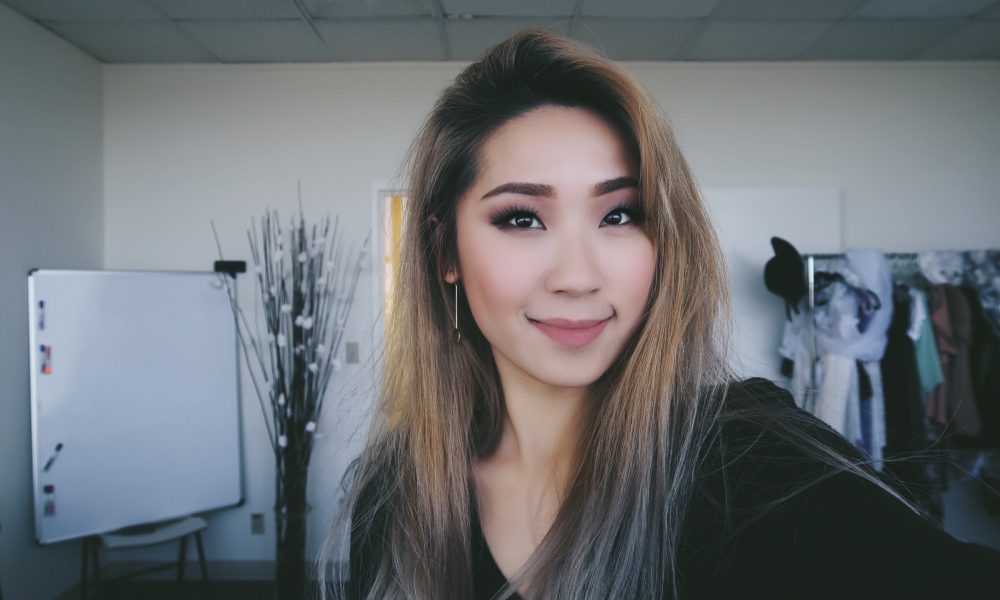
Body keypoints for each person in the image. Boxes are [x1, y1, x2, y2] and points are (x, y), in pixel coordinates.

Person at [321, 29, 1000, 599]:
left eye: (620, 214)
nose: (578, 277)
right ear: (446, 251)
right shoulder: (396, 492)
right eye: (522, 218)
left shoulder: (746, 460)